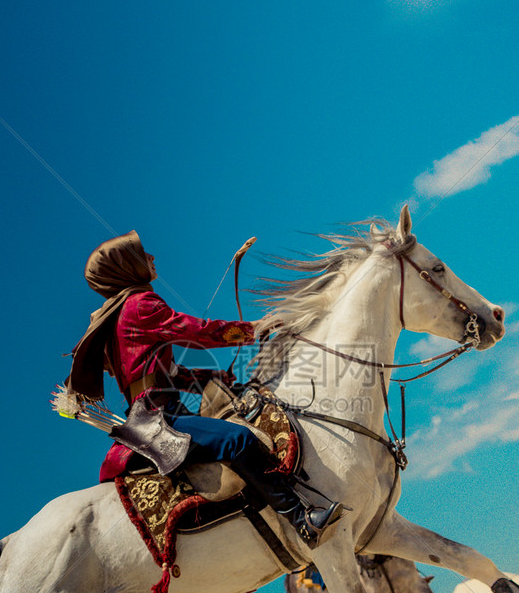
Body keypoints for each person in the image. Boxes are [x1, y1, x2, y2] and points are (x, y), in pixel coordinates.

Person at [66, 231, 344, 548]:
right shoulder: (139, 304)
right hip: (159, 417)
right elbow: (196, 333)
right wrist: (255, 329)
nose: (153, 258)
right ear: (127, 267)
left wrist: (214, 379)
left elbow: (170, 374)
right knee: (239, 438)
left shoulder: (122, 314)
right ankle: (303, 521)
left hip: (152, 413)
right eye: (144, 254)